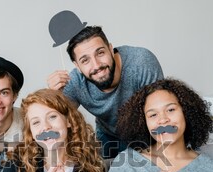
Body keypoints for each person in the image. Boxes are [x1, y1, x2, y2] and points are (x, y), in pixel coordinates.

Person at [47, 26, 164, 159]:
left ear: (110, 49)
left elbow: (160, 113)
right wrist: (53, 97)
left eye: (100, 53)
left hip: (144, 133)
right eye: (85, 60)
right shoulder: (73, 83)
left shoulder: (141, 63)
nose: (97, 65)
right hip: (107, 134)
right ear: (77, 66)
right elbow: (58, 124)